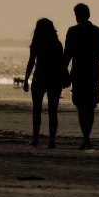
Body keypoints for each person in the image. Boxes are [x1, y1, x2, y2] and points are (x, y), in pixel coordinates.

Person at [64, 3, 99, 150]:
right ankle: (86, 138)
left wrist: (62, 74)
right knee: (90, 106)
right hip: (94, 74)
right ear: (89, 15)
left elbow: (67, 56)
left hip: (78, 74)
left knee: (81, 106)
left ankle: (86, 138)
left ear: (76, 16)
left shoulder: (72, 32)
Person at [23, 18, 65, 148]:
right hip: (54, 80)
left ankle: (35, 139)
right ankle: (51, 141)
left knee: (37, 109)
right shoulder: (57, 44)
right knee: (53, 110)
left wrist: (26, 79)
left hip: (39, 78)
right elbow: (62, 63)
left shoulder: (36, 43)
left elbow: (31, 62)